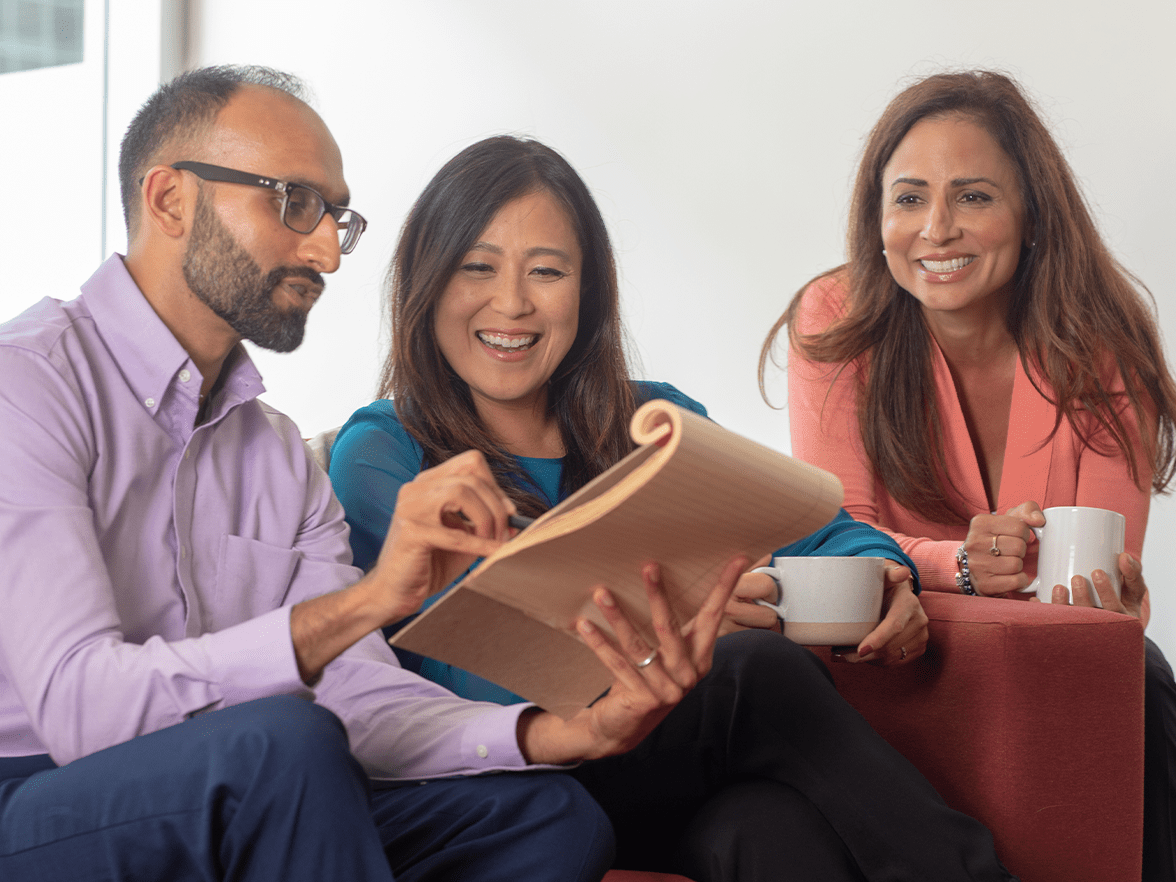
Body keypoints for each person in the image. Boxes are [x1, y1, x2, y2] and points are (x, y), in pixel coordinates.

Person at [0, 64, 780, 882]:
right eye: (294, 202)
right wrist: (372, 601)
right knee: (286, 743)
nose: (328, 250)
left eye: (338, 216)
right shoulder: (29, 385)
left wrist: (565, 732)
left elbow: (361, 703)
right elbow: (80, 708)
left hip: (253, 788)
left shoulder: (273, 453)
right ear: (170, 200)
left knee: (546, 815)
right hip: (41, 798)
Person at [329, 133, 1019, 881]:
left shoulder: (655, 423)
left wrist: (887, 579)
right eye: (478, 268)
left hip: (657, 770)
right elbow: (466, 669)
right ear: (426, 284)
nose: (513, 303)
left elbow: (830, 531)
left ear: (587, 292)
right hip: (510, 779)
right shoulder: (384, 450)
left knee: (759, 830)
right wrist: (682, 628)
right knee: (753, 665)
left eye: (548, 272)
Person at [768, 69, 1176, 881]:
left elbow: (1088, 588)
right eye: (910, 198)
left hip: (1042, 664)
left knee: (1141, 675)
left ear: (1031, 218)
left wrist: (1110, 608)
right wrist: (953, 564)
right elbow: (830, 526)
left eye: (976, 197)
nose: (937, 229)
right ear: (877, 217)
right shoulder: (837, 320)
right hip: (887, 655)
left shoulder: (1106, 341)